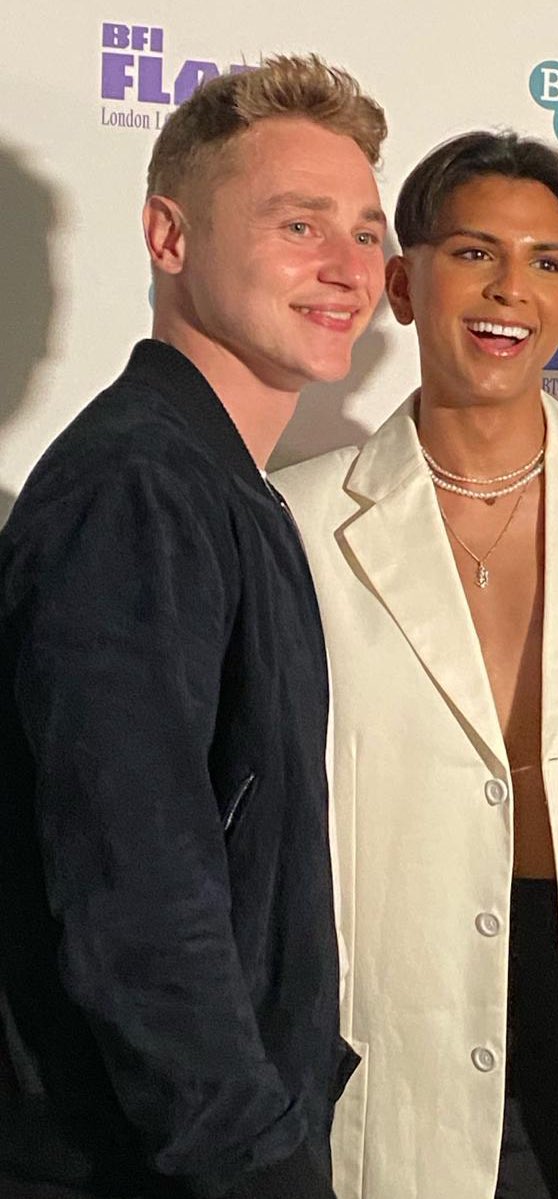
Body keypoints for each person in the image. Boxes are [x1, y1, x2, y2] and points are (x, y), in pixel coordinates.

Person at [273, 130, 558, 1199]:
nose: (509, 289)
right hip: (398, 1016)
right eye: (474, 252)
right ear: (401, 280)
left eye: (545, 261)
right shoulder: (293, 518)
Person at [0, 55, 387, 1198]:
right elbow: (138, 886)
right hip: (143, 1161)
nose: (345, 268)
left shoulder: (218, 483)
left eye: (365, 232)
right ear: (169, 238)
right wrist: (260, 1160)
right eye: (298, 223)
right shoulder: (139, 489)